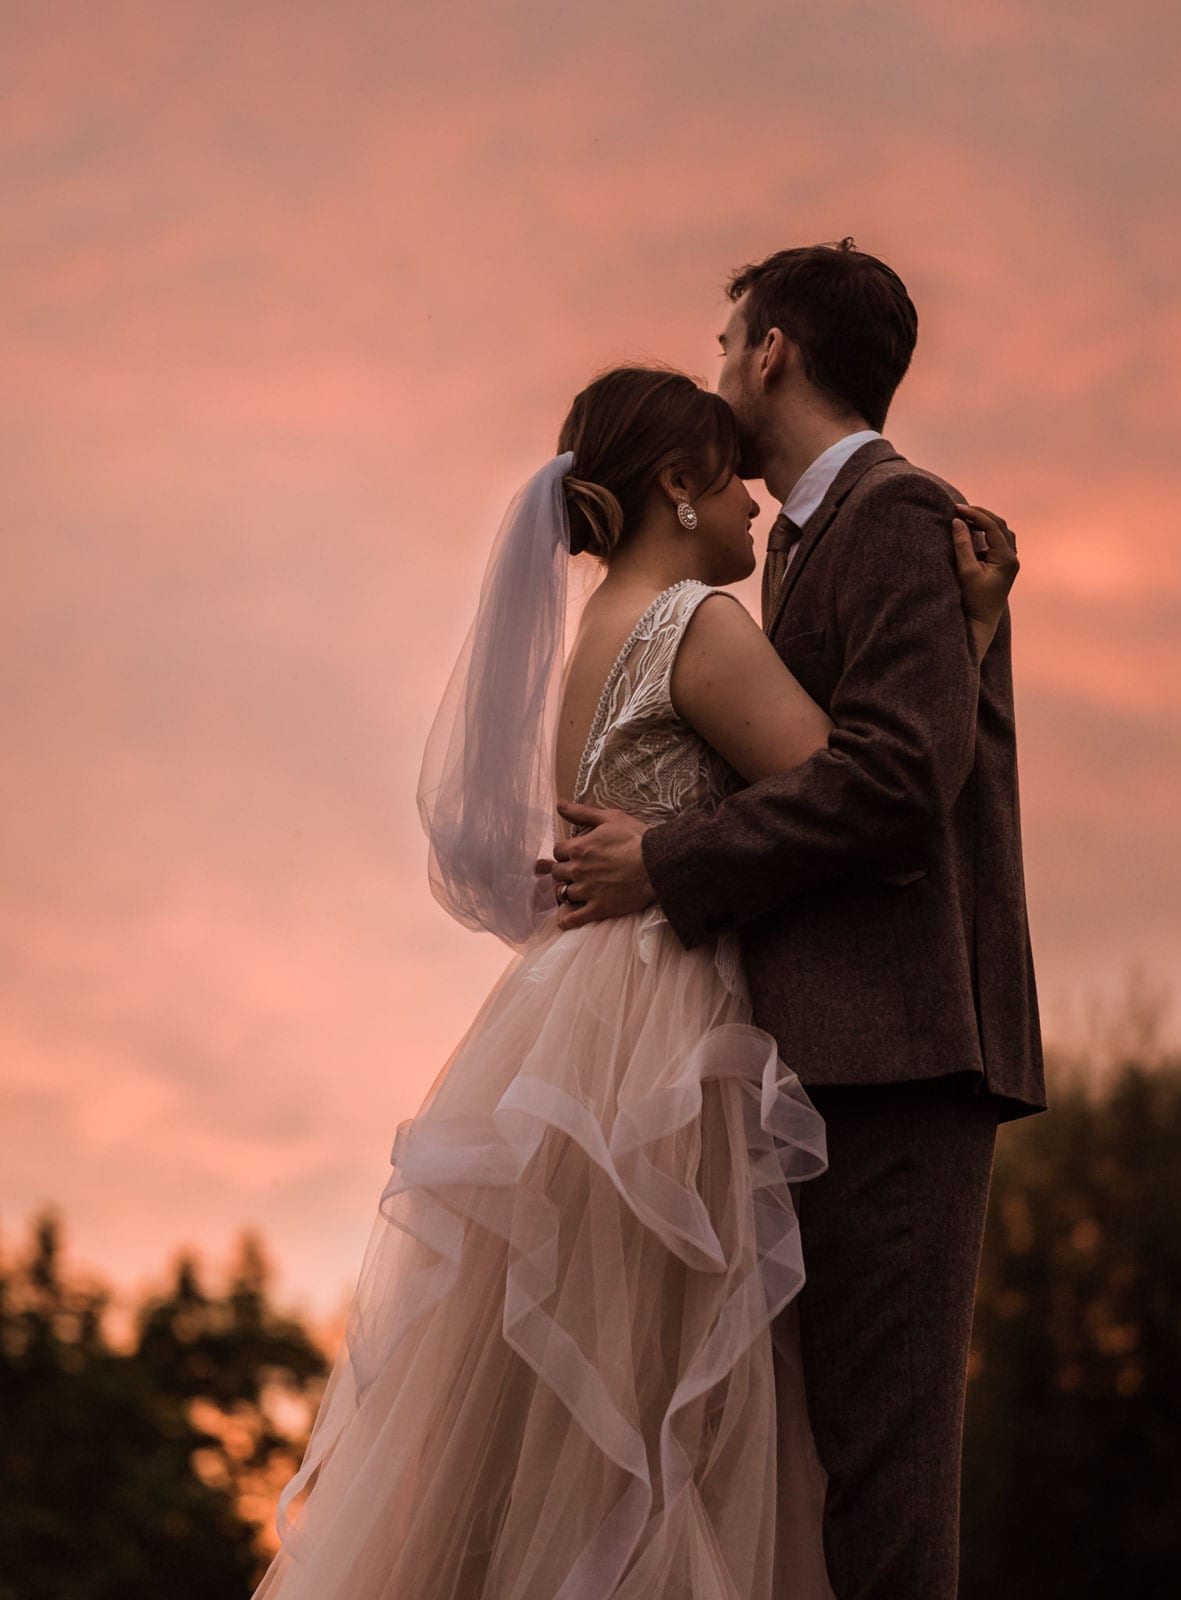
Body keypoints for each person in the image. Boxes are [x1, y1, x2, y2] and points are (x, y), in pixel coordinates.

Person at [251, 356, 1017, 1600]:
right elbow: (857, 785)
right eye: (732, 487)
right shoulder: (694, 626)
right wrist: (965, 636)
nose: (755, 509)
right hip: (660, 1032)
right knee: (679, 1416)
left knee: (566, 1424)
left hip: (566, 1030)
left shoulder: (593, 638)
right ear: (677, 486)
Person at [547, 242, 1045, 1600]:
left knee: (878, 1477)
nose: (717, 375)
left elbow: (888, 783)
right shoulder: (802, 554)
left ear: (773, 349)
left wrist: (672, 863)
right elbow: (905, 757)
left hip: (894, 1054)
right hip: (812, 1058)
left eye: (725, 346)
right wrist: (975, 654)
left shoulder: (889, 511)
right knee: (804, 1472)